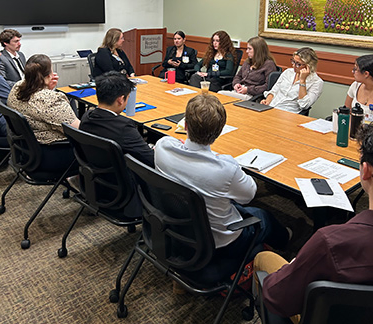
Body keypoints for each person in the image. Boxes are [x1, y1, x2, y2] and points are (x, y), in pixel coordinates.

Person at [255, 123, 373, 323]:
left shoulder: (330, 242)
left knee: (263, 258)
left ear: (365, 170)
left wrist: (296, 264)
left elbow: (277, 298)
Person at [155, 94, 290, 263]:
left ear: (186, 125)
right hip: (219, 243)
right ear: (219, 131)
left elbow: (175, 143)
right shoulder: (226, 169)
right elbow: (248, 196)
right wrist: (227, 162)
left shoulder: (162, 147)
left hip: (174, 226)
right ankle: (287, 243)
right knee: (263, 216)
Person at [7, 54, 80, 172]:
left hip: (26, 151)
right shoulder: (50, 100)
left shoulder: (17, 87)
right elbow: (78, 131)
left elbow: (41, 111)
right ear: (48, 76)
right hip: (52, 154)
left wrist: (48, 89)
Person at [80, 71, 154, 168]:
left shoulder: (86, 117)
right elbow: (151, 160)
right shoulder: (123, 127)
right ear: (120, 100)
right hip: (127, 179)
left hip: (99, 174)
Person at [261, 47, 323, 113]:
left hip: (288, 113)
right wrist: (267, 101)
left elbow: (304, 105)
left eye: (298, 64)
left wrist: (302, 81)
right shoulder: (288, 72)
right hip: (271, 108)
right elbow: (274, 91)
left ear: (309, 66)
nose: (293, 65)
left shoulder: (317, 82)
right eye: (293, 61)